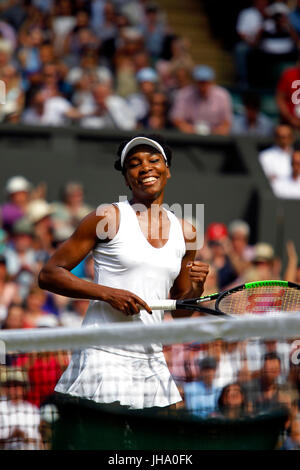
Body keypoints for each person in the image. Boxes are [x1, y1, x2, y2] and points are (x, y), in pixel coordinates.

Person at [38, 133, 209, 409]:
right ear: (126, 177)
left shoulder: (187, 233)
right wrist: (109, 294)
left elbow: (180, 311)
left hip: (151, 357)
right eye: (134, 163)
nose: (145, 167)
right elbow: (49, 274)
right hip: (103, 352)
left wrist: (196, 290)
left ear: (168, 171)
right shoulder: (107, 217)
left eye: (154, 160)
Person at [170, 65, 232, 136]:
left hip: (215, 137)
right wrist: (193, 130)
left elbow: (226, 124)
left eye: (205, 82)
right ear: (195, 82)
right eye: (200, 82)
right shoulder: (184, 94)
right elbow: (176, 119)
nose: (203, 86)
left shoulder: (223, 95)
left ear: (212, 82)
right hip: (189, 137)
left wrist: (212, 132)